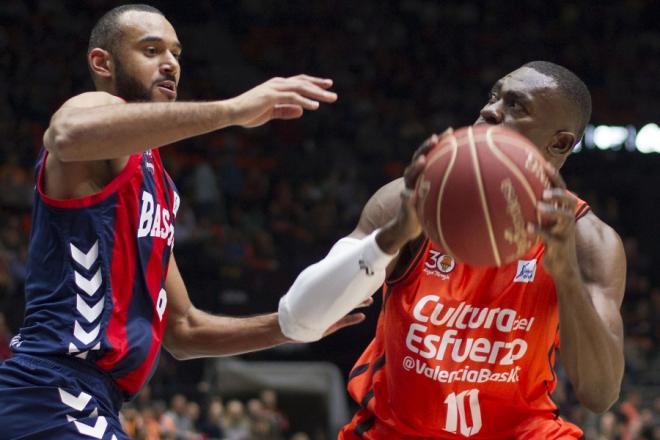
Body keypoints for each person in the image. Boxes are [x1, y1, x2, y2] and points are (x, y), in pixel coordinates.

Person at [0, 4, 365, 439]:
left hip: (88, 400)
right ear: (103, 63)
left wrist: (294, 325)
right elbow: (66, 135)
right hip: (51, 387)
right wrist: (233, 110)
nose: (170, 63)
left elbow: (183, 330)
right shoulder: (94, 111)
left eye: (175, 53)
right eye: (151, 50)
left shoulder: (161, 187)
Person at [277, 61, 626, 439]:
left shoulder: (589, 241)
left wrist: (565, 273)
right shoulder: (408, 201)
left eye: (515, 106)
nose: (490, 110)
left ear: (559, 143)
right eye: (493, 96)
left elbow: (599, 394)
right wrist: (393, 235)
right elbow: (300, 320)